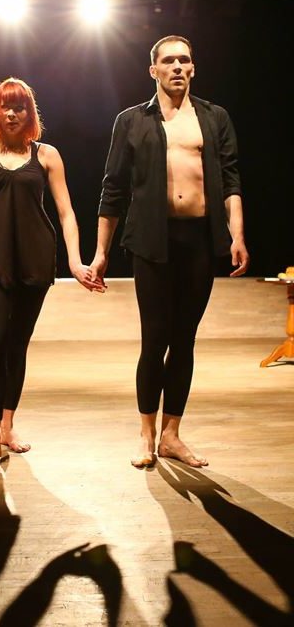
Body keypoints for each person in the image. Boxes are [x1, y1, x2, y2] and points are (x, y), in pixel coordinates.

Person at [90, 36, 249, 468]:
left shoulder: (213, 118)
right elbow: (112, 189)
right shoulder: (131, 120)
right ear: (154, 70)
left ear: (193, 68)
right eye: (168, 61)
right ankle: (146, 434)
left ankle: (172, 434)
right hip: (151, 242)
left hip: (198, 240)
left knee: (184, 340)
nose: (177, 66)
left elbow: (231, 180)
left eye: (184, 60)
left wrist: (236, 235)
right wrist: (101, 253)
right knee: (155, 338)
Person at [0, 77, 100, 473]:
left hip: (35, 258)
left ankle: (7, 426)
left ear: (29, 113)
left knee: (17, 344)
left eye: (19, 106)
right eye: (5, 106)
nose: (12, 113)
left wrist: (75, 261)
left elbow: (66, 213)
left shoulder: (47, 155)